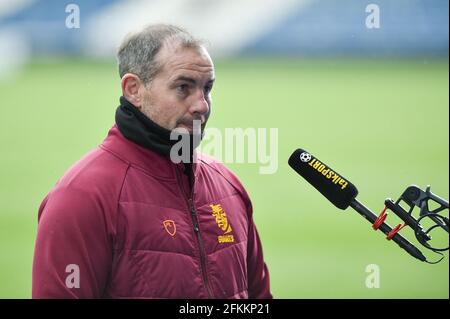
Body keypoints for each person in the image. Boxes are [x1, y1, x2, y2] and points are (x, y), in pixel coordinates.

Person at [32, 24, 272, 299]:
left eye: (207, 88)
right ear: (134, 89)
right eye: (183, 87)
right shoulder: (83, 196)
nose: (202, 105)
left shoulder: (228, 186)